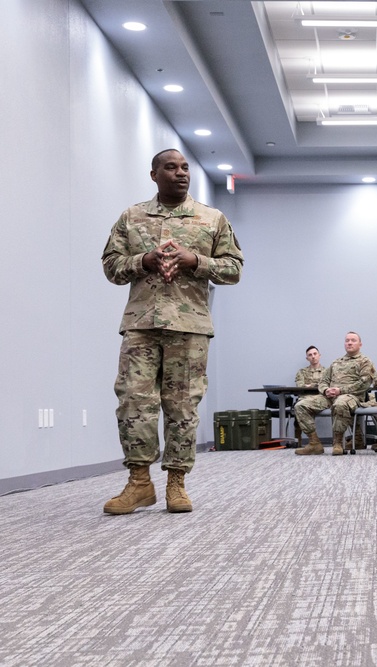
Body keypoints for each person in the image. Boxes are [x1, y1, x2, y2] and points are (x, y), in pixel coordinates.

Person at [101, 148, 244, 515]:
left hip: (189, 326)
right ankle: (139, 483)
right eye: (171, 167)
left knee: (182, 406)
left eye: (185, 168)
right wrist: (143, 261)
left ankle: (176, 483)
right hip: (141, 325)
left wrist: (196, 261)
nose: (180, 173)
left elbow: (233, 269)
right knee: (133, 402)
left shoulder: (211, 219)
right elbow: (111, 267)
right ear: (154, 175)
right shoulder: (132, 218)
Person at [293, 332, 375, 456]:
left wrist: (340, 390)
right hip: (330, 396)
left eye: (353, 340)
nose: (349, 343)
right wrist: (326, 390)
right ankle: (314, 443)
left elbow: (364, 384)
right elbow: (323, 381)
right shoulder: (337, 362)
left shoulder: (365, 361)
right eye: (347, 340)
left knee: (340, 403)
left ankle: (337, 443)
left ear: (360, 344)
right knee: (301, 405)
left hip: (352, 397)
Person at [292, 346, 325, 444]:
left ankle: (314, 442)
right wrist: (317, 385)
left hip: (321, 399)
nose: (313, 357)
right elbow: (300, 386)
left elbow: (326, 385)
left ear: (319, 355)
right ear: (307, 358)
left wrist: (311, 385)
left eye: (315, 354)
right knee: (298, 406)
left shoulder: (327, 372)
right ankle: (298, 439)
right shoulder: (301, 372)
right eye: (310, 355)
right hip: (304, 398)